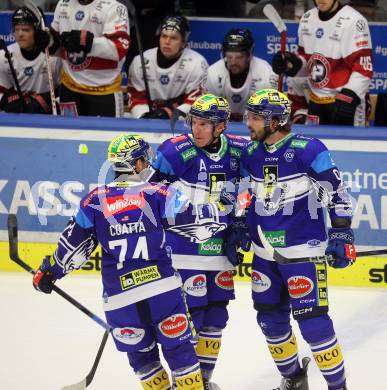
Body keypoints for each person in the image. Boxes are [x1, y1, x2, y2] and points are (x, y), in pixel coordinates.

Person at [32, 133, 238, 390]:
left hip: (120, 299)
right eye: (144, 159)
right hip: (162, 292)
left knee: (143, 361)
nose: (148, 164)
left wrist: (49, 271)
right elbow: (199, 222)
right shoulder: (158, 193)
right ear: (137, 163)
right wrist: (232, 213)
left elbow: (71, 250)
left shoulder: (94, 200)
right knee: (181, 354)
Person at [224, 88, 355, 390]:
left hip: (303, 253)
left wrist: (341, 231)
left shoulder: (309, 149)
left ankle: (339, 387)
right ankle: (295, 378)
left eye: (256, 117)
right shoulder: (249, 153)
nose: (249, 123)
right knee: (270, 321)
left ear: (275, 121)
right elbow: (244, 193)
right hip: (264, 257)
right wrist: (240, 225)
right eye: (250, 116)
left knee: (314, 325)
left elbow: (337, 192)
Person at [148, 93, 250, 389]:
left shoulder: (240, 151)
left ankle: (201, 381)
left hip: (220, 251)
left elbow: (249, 188)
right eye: (195, 122)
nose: (198, 129)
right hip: (183, 251)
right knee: (191, 316)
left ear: (221, 127)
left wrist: (240, 222)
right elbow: (151, 195)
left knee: (217, 317)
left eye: (206, 124)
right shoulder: (176, 151)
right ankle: (186, 381)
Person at [271, 0, 373, 126]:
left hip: (346, 102)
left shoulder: (354, 20)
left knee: (352, 144)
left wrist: (349, 97)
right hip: (316, 101)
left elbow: (363, 69)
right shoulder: (307, 19)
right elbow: (309, 63)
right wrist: (292, 64)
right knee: (319, 145)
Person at [50, 0, 130, 117]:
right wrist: (47, 42)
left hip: (103, 92)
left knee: (107, 136)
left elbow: (119, 49)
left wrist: (87, 43)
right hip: (70, 90)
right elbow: (58, 45)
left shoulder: (114, 8)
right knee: (68, 134)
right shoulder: (63, 4)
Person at [127, 15, 208, 119]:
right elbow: (136, 97)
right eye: (164, 36)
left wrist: (168, 114)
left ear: (183, 42)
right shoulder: (140, 61)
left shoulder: (197, 64)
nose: (167, 42)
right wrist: (144, 116)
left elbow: (197, 102)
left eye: (173, 38)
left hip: (181, 125)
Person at [205, 28, 277, 122]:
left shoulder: (265, 73)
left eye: (239, 57)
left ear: (249, 55)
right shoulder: (213, 73)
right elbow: (207, 112)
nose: (233, 62)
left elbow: (270, 113)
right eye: (229, 57)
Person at [0, 6, 61, 114]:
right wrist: (7, 100)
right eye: (16, 29)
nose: (20, 34)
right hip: (17, 117)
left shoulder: (54, 57)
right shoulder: (4, 56)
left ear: (38, 31)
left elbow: (64, 93)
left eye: (26, 30)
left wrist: (44, 101)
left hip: (47, 116)